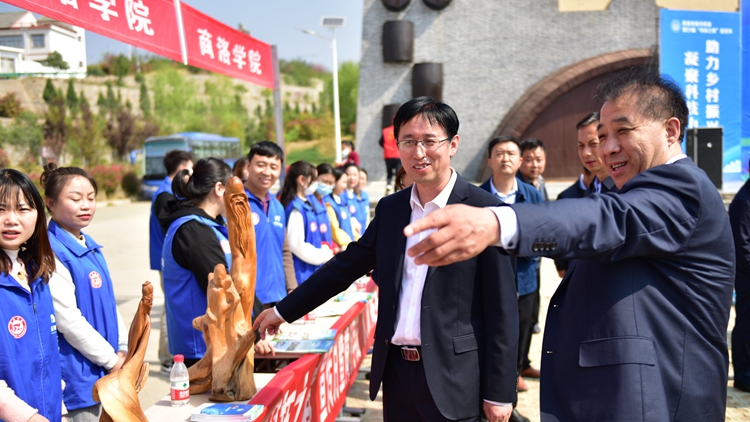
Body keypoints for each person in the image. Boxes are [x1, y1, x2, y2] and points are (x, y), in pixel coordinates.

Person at [403, 67, 734, 421]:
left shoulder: (683, 188)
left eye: (623, 131)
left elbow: (608, 219)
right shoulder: (624, 190)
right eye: (602, 135)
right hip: (612, 397)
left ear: (670, 130)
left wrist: (497, 222)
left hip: (657, 401)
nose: (608, 148)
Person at [255, 96, 519, 422]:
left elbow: (503, 310)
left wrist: (500, 392)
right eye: (408, 142)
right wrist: (282, 311)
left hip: (456, 379)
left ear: (453, 144)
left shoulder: (487, 211)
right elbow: (345, 266)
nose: (418, 153)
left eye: (429, 141)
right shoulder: (392, 209)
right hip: (397, 376)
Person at [160, 158, 271, 366]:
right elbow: (224, 291)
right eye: (234, 190)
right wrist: (254, 336)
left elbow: (240, 282)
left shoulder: (209, 225)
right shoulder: (194, 231)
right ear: (219, 189)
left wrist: (260, 320)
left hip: (218, 342)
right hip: (203, 348)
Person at [41, 164, 128, 421]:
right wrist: (111, 360)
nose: (86, 206)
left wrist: (122, 348)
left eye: (91, 198)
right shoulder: (52, 251)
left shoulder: (89, 245)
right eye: (75, 199)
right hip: (79, 377)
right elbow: (68, 320)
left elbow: (108, 303)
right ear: (50, 203)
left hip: (107, 366)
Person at [480, 135, 543, 405]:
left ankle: (510, 398)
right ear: (489, 160)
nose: (505, 158)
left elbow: (543, 236)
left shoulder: (532, 195)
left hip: (524, 280)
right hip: (488, 283)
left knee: (520, 335)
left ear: (519, 161)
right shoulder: (477, 196)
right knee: (490, 337)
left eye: (510, 154)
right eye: (499, 153)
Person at [0, 169, 63, 422]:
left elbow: (48, 356)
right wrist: (27, 418)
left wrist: (60, 410)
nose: (11, 219)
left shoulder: (36, 273)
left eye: (23, 209)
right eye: (1, 209)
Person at [555, 112, 618, 278]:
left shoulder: (624, 190)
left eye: (593, 144)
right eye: (581, 146)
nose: (586, 153)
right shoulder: (591, 189)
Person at [148, 149, 193, 373]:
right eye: (191, 169)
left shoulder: (169, 191)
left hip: (170, 260)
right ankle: (168, 358)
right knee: (171, 308)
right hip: (169, 262)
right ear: (182, 168)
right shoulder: (165, 194)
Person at [242, 141, 297, 303]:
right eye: (261, 165)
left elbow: (284, 250)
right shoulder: (236, 203)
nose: (267, 172)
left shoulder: (277, 206)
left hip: (278, 297)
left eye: (273, 167)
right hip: (249, 299)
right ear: (248, 166)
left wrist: (292, 287)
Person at [279, 161, 333, 284]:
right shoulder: (296, 207)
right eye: (313, 180)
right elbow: (296, 245)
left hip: (311, 271)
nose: (316, 184)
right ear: (302, 180)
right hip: (302, 273)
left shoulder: (307, 204)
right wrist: (323, 254)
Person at [729, 166, 750, 392]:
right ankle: (743, 375)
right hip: (746, 277)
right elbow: (742, 247)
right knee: (745, 326)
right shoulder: (743, 201)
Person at [324, 167, 357, 248]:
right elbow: (334, 229)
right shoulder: (328, 203)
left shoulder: (342, 200)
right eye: (343, 182)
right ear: (334, 182)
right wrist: (348, 243)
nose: (345, 186)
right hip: (341, 248)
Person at [342, 163, 363, 237]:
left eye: (355, 175)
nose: (352, 178)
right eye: (349, 175)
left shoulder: (357, 196)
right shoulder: (341, 196)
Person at [381, 123, 402, 194]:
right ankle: (396, 189)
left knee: (389, 172)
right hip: (397, 154)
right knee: (398, 173)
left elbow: (380, 142)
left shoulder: (385, 131)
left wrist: (386, 147)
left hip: (388, 154)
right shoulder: (400, 130)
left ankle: (389, 184)